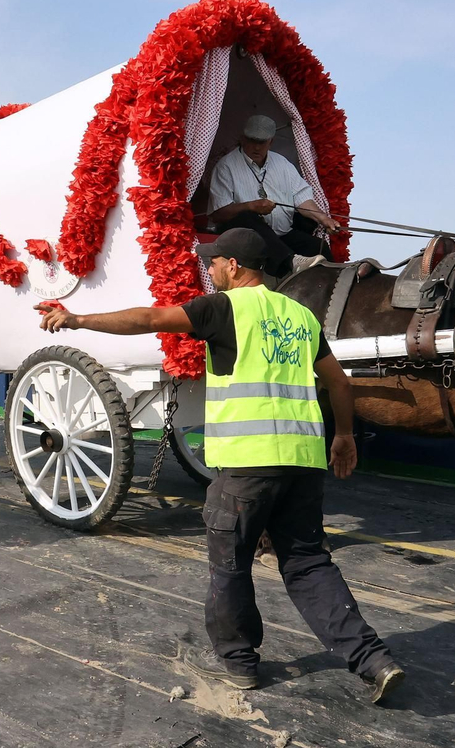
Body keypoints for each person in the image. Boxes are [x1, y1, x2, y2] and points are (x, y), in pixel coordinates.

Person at [35, 228, 404, 703]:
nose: (209, 270)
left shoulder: (223, 308)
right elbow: (339, 383)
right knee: (309, 564)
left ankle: (239, 663)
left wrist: (77, 319)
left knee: (230, 565)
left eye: (213, 263)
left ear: (233, 265)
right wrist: (345, 436)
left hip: (247, 465)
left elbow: (150, 317)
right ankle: (374, 660)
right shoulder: (301, 315)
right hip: (303, 462)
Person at [208, 115, 343, 278]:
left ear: (270, 142)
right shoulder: (226, 166)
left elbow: (302, 197)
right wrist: (251, 206)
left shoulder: (282, 163)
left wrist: (324, 218)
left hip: (281, 235)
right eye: (252, 140)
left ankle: (338, 282)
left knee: (316, 245)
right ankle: (290, 261)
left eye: (262, 142)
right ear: (243, 139)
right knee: (247, 217)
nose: (256, 147)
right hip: (247, 240)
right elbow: (218, 214)